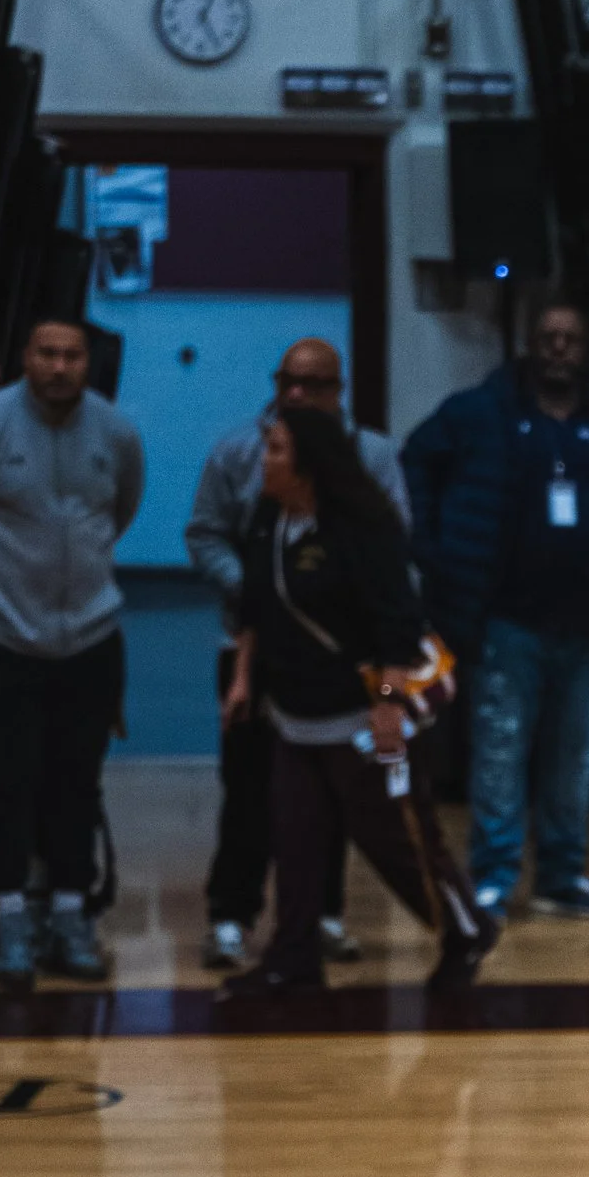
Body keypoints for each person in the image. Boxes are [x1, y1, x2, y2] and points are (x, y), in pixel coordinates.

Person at [400, 302, 589, 927]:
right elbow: (413, 463)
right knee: (500, 752)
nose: (559, 349)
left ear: (587, 349)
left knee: (575, 757)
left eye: (570, 338)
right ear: (529, 346)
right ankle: (492, 878)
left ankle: (563, 876)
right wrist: (437, 555)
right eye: (548, 338)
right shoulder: (480, 414)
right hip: (507, 620)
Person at [223, 404, 493, 997]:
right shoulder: (269, 518)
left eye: (275, 451)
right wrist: (244, 676)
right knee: (294, 840)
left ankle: (467, 930)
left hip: (360, 719)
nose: (263, 460)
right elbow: (255, 607)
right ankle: (292, 958)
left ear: (308, 465)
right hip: (295, 717)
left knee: (398, 838)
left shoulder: (363, 529)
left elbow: (398, 627)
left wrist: (390, 706)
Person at [185, 338, 405, 972]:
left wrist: (389, 698)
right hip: (254, 650)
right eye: (287, 381)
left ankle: (321, 917)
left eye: (313, 385)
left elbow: (395, 551)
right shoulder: (242, 452)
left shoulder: (374, 456)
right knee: (249, 789)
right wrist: (258, 593)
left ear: (340, 392)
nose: (297, 395)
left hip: (346, 666)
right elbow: (205, 534)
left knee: (334, 799)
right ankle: (231, 915)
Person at [0, 315, 142, 992]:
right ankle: (9, 922)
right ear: (25, 357)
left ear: (89, 362)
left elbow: (123, 509)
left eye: (72, 355)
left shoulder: (116, 432)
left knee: (76, 784)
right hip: (9, 640)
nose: (59, 367)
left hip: (90, 640)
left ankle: (70, 913)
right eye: (47, 354)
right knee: (10, 782)